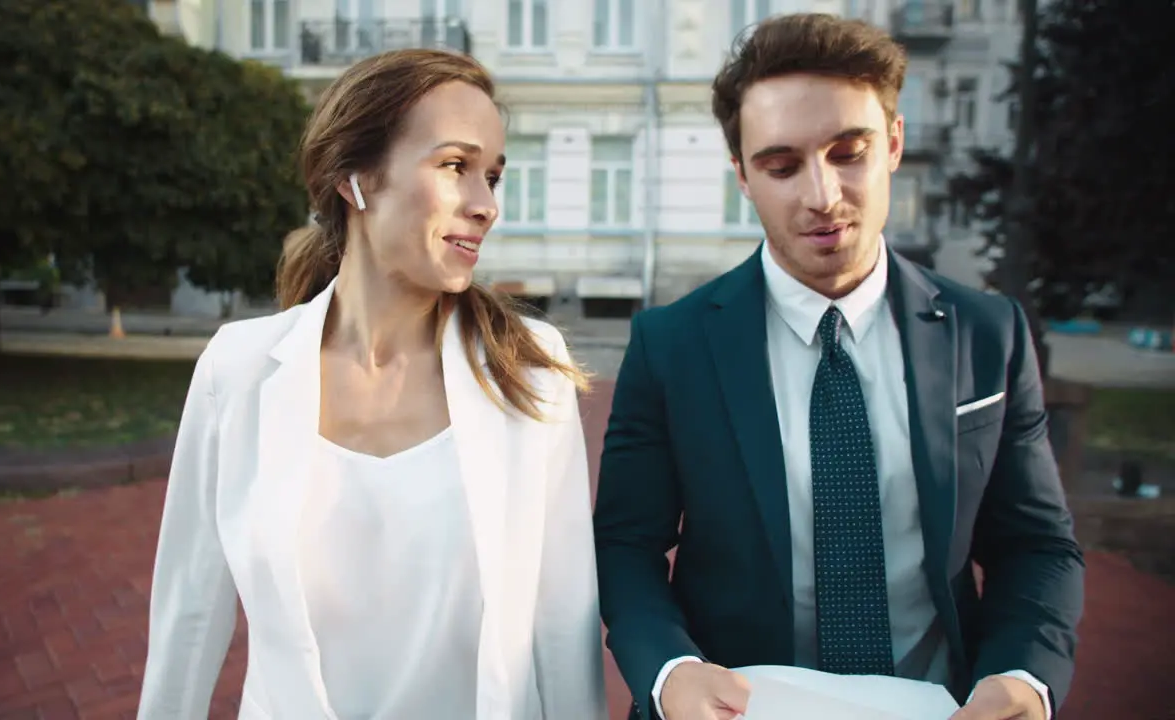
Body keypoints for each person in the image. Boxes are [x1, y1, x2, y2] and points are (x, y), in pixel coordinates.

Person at [593, 14, 1084, 720]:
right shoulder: (670, 344)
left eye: (848, 152)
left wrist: (1020, 677)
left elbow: (1036, 545)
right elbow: (625, 544)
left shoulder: (988, 333)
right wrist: (671, 672)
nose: (821, 196)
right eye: (782, 166)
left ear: (894, 144)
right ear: (743, 176)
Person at [138, 48, 608, 720]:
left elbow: (562, 622)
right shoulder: (236, 370)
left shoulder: (531, 372)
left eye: (494, 177)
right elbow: (188, 612)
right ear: (354, 177)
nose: (485, 206)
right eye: (455, 166)